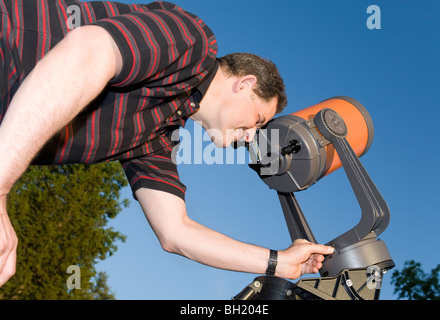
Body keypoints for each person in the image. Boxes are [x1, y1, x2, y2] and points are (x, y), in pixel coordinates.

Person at [0, 0, 334, 289]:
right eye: (258, 119)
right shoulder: (193, 41)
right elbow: (90, 51)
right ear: (246, 85)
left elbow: (176, 232)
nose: (251, 136)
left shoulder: (159, 135)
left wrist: (281, 264)